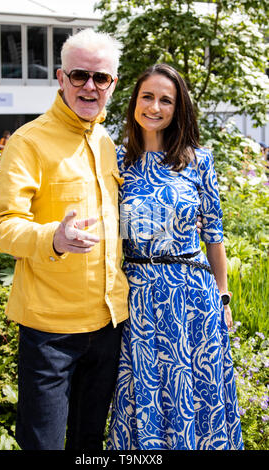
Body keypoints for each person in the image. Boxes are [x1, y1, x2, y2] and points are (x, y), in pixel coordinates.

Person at [0, 29, 130, 451]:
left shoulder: (109, 144)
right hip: (50, 333)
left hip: (107, 326)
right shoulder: (29, 141)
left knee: (88, 444)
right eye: (79, 75)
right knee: (44, 444)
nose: (90, 85)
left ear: (113, 85)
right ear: (60, 77)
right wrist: (54, 237)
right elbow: (3, 227)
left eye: (100, 78)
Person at [106, 64, 244, 450]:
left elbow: (214, 235)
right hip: (140, 298)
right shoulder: (115, 163)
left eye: (166, 99)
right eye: (147, 96)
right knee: (143, 394)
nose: (155, 106)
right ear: (134, 101)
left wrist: (223, 297)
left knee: (197, 396)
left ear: (177, 107)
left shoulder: (197, 160)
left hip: (192, 298)